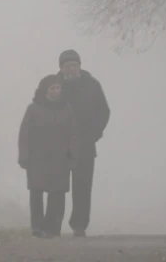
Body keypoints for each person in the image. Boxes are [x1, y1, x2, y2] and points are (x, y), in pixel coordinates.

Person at [18, 74, 80, 238]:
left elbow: (73, 134)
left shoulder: (67, 109)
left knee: (58, 195)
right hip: (37, 158)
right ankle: (37, 227)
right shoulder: (33, 108)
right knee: (36, 193)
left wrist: (73, 156)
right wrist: (23, 156)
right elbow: (24, 134)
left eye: (58, 87)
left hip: (60, 159)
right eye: (52, 88)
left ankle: (53, 228)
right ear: (45, 90)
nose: (56, 91)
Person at [57, 49, 110, 237]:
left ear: (80, 66)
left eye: (74, 65)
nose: (71, 69)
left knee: (82, 186)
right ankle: (53, 224)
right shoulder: (53, 86)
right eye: (67, 66)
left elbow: (104, 111)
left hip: (85, 145)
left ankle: (79, 225)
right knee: (57, 185)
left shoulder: (92, 85)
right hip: (59, 145)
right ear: (61, 68)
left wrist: (94, 134)